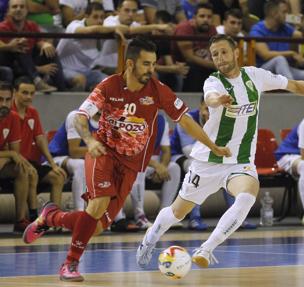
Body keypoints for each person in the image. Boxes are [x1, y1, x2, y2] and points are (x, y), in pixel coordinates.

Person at [22, 36, 230, 282]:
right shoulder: (109, 86)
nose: (151, 70)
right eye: (145, 64)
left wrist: (213, 146)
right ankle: (70, 264)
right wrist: (89, 141)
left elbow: (185, 120)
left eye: (153, 64)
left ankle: (51, 216)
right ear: (130, 64)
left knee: (96, 227)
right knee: (97, 205)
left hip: (131, 165)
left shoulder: (158, 90)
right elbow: (80, 117)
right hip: (103, 153)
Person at [136, 34, 304, 269]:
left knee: (247, 196)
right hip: (208, 160)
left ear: (236, 53)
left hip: (240, 161)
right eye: (215, 55)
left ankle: (206, 248)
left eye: (224, 52)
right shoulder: (213, 82)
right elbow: (211, 99)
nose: (220, 58)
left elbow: (294, 85)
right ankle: (149, 239)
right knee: (178, 213)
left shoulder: (255, 76)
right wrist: (218, 100)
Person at [170, 98, 257, 230]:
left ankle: (236, 218)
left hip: (213, 156)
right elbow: (189, 150)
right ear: (200, 107)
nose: (210, 114)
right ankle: (195, 217)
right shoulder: (188, 119)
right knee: (196, 167)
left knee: (229, 168)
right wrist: (214, 147)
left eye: (214, 110)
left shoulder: (225, 119)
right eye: (207, 109)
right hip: (181, 156)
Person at [12, 76, 66, 212]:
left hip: (31, 162)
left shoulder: (33, 112)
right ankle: (32, 216)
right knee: (31, 174)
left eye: (32, 93)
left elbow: (40, 140)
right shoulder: (8, 114)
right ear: (14, 93)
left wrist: (53, 165)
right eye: (24, 93)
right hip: (15, 163)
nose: (29, 97)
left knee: (57, 177)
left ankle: (55, 219)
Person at [249, 0, 304, 89]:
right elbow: (265, 55)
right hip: (263, 71)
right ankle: (293, 94)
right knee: (279, 59)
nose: (288, 16)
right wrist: (292, 54)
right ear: (274, 13)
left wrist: (303, 27)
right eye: (284, 12)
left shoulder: (285, 27)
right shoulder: (257, 29)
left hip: (284, 70)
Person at [56, 2, 127, 91]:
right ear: (86, 16)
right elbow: (91, 29)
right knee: (80, 79)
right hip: (65, 69)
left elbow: (125, 30)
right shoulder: (74, 25)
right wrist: (115, 28)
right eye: (95, 17)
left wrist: (115, 30)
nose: (99, 21)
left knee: (111, 82)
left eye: (102, 17)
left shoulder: (103, 29)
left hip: (88, 71)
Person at [48, 110, 100, 211]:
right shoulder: (77, 117)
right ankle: (79, 212)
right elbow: (74, 152)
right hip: (56, 158)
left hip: (82, 160)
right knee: (81, 165)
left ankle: (117, 218)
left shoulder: (109, 122)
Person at [0, 81, 33, 232]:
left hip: (2, 161)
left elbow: (16, 153)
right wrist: (10, 154)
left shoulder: (12, 118)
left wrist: (8, 156)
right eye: (0, 100)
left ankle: (20, 220)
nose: (4, 104)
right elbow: (12, 152)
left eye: (7, 100)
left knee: (22, 169)